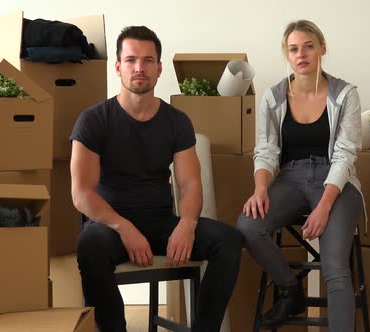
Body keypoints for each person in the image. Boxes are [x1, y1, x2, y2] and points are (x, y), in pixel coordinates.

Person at [71, 26, 242, 332]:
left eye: (148, 60)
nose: (140, 68)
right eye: (131, 59)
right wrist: (124, 227)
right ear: (118, 66)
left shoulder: (176, 121)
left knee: (227, 240)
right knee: (90, 243)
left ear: (159, 68)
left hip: (160, 222)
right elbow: (82, 193)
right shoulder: (94, 120)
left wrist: (187, 225)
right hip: (111, 226)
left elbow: (190, 183)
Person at [236, 20, 364, 331]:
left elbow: (346, 154)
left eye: (308, 46)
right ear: (287, 55)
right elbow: (266, 151)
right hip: (290, 179)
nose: (301, 54)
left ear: (322, 48)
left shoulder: (346, 94)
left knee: (335, 268)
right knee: (248, 226)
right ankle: (291, 290)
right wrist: (261, 189)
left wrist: (324, 206)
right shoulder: (273, 97)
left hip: (336, 182)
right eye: (294, 49)